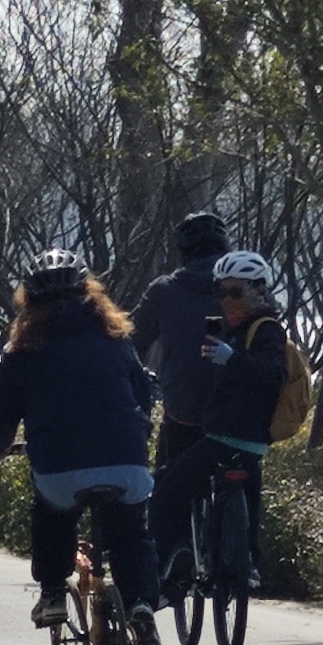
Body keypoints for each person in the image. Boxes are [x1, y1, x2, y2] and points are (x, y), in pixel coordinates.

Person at [0, 253, 164, 645]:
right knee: (130, 534)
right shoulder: (117, 339)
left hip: (60, 469)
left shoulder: (22, 349)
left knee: (52, 516)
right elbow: (141, 395)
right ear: (91, 292)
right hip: (126, 462)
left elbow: (0, 411)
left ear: (27, 300)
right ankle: (140, 606)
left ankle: (51, 594)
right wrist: (137, 433)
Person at [151, 248, 290, 588]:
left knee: (167, 486)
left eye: (236, 292)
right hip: (250, 439)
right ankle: (248, 564)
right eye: (221, 292)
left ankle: (166, 565)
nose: (227, 300)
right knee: (248, 496)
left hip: (229, 434)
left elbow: (274, 374)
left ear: (260, 288)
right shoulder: (238, 330)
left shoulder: (265, 328)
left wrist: (231, 360)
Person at [131, 209, 230, 580]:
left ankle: (169, 560)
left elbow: (133, 342)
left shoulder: (164, 290)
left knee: (166, 486)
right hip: (238, 410)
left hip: (183, 409)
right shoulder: (241, 285)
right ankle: (243, 557)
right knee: (241, 468)